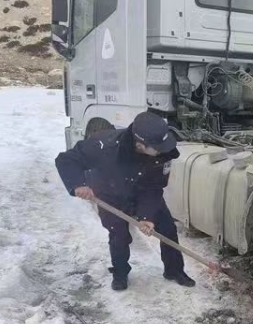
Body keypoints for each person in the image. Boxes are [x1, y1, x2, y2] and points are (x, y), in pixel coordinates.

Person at [55, 112, 195, 291]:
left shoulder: (162, 154)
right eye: (158, 147)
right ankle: (120, 273)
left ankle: (174, 270)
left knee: (167, 228)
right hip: (110, 195)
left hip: (144, 191)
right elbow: (66, 160)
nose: (163, 150)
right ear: (140, 144)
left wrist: (147, 217)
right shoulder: (104, 145)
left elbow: (154, 187)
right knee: (118, 235)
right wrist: (77, 184)